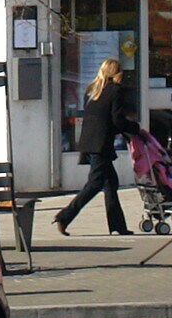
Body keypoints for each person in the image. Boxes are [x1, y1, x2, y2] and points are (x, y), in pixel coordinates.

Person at [54, 59, 137, 237]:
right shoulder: (115, 91)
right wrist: (134, 129)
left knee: (110, 184)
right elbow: (117, 119)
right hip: (101, 144)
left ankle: (117, 226)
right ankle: (64, 216)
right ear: (117, 73)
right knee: (94, 184)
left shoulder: (92, 91)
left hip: (89, 142)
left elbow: (101, 118)